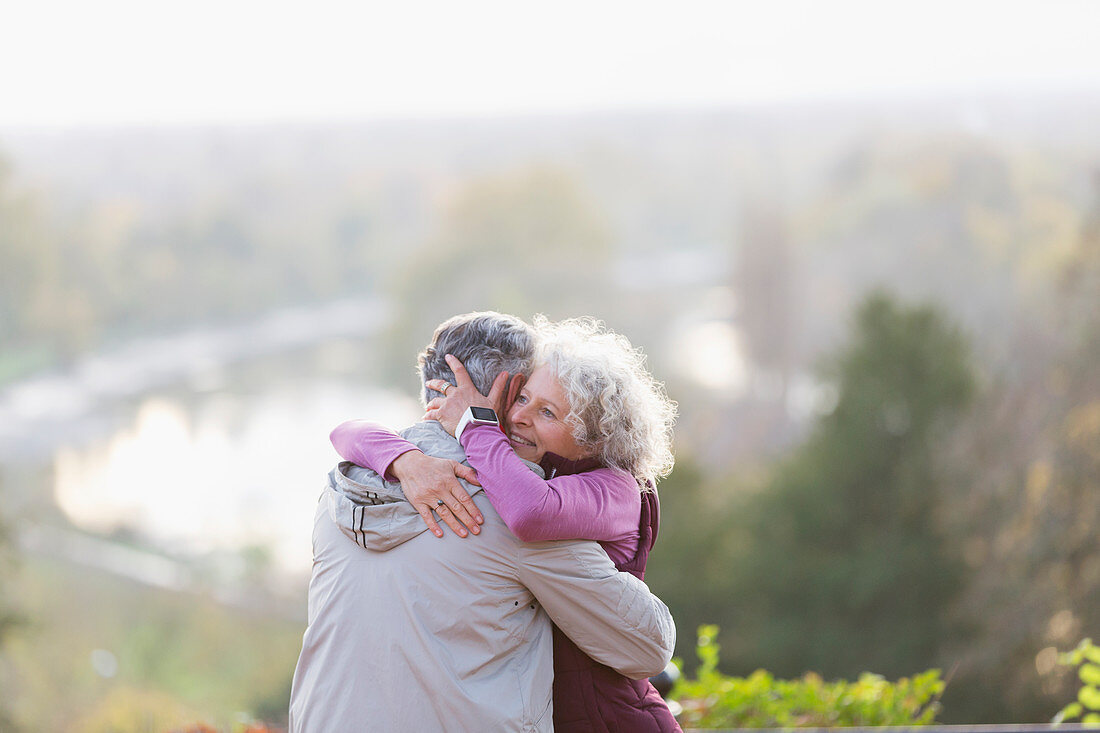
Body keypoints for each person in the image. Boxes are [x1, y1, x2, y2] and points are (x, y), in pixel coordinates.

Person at [289, 312, 675, 732]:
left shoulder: (337, 491)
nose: (521, 418)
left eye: (546, 409)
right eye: (522, 397)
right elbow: (649, 650)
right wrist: (420, 453)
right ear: (499, 395)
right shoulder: (499, 504)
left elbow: (532, 508)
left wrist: (409, 454)